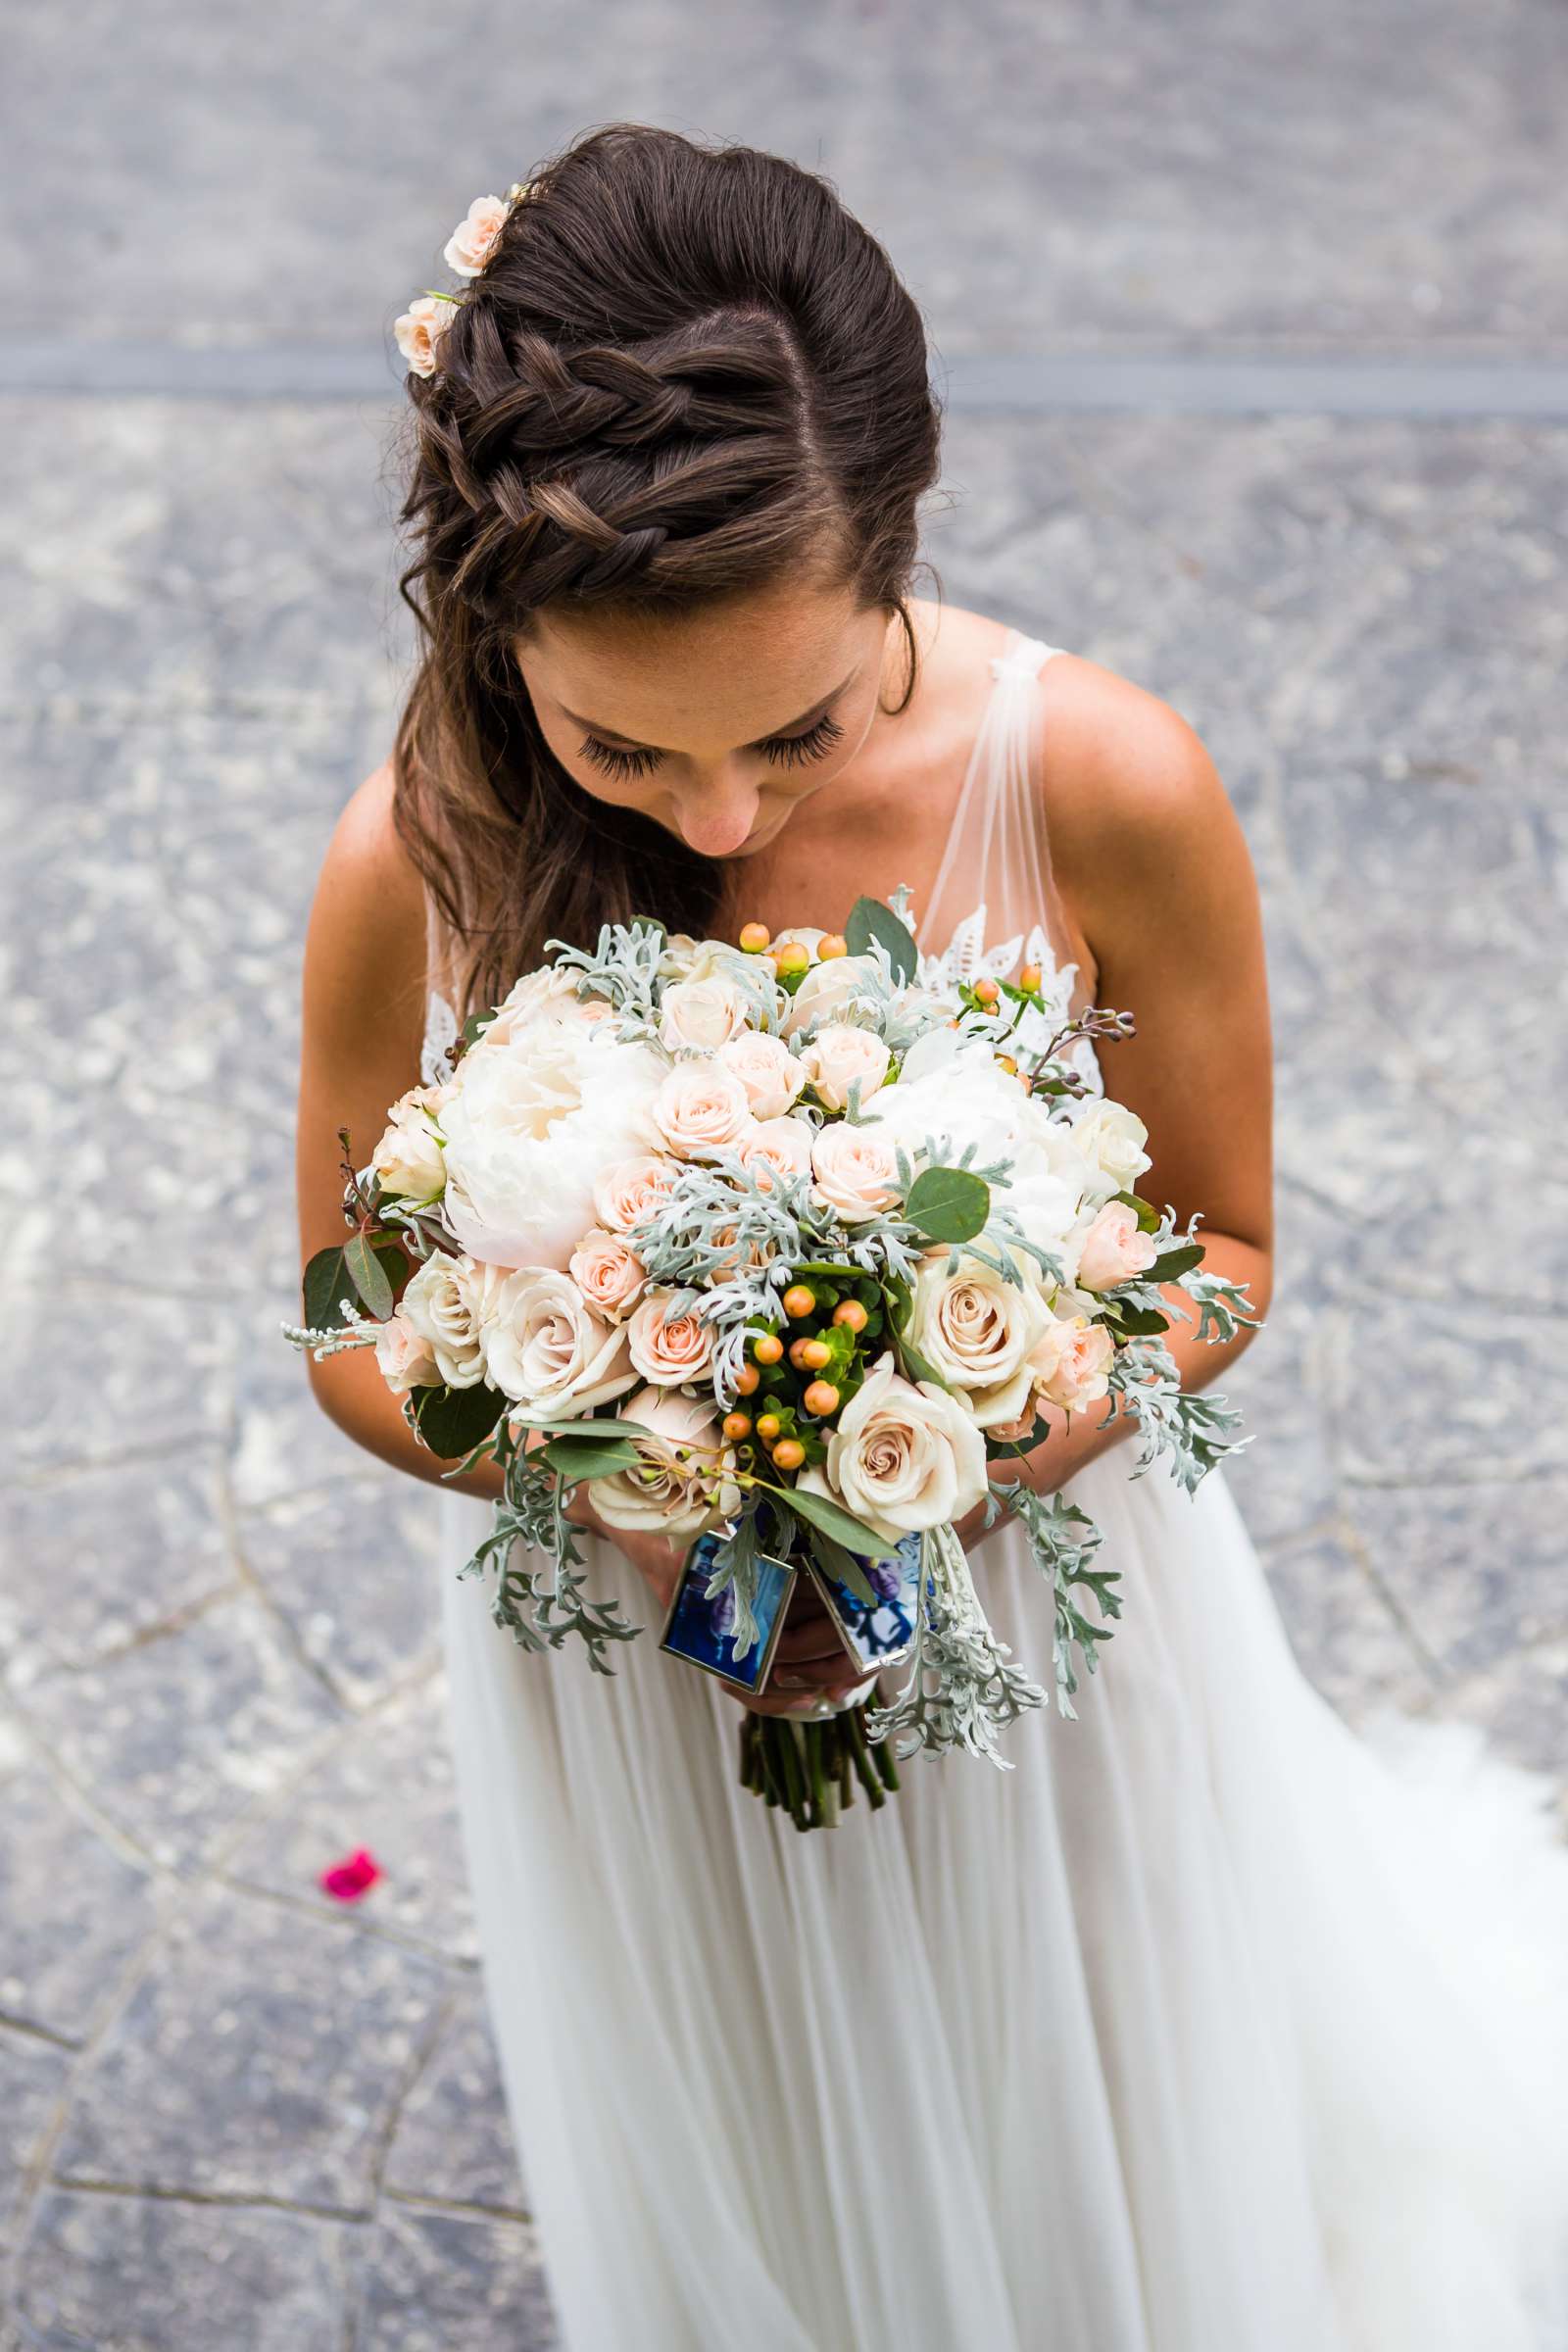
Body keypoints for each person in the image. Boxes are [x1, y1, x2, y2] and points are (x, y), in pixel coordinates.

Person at [295, 123, 1568, 2351]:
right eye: (618, 745)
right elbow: (342, 1315)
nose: (710, 817)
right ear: (488, 619)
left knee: (1094, 2114)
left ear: (899, 543)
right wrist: (626, 1475)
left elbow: (1218, 1240)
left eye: (793, 730)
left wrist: (957, 1445)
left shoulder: (1099, 783)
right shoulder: (410, 859)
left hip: (1028, 1640)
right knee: (754, 2107)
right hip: (625, 1675)